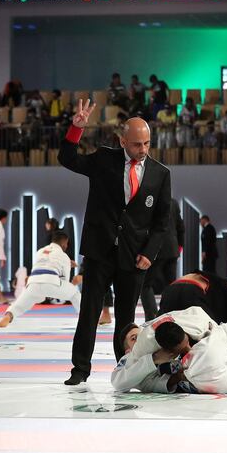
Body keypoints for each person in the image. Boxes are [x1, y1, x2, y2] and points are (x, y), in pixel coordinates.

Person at [59, 99, 172, 386]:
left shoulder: (160, 174)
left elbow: (161, 223)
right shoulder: (103, 160)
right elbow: (68, 159)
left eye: (147, 143)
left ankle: (124, 369)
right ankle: (80, 369)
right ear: (122, 141)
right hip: (100, 251)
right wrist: (76, 130)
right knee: (89, 313)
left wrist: (150, 253)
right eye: (136, 144)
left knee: (125, 322)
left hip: (134, 257)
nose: (143, 150)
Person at [112, 281, 227, 395]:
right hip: (199, 376)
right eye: (134, 338)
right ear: (127, 349)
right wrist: (153, 361)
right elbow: (118, 382)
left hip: (224, 372)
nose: (141, 337)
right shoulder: (131, 360)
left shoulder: (161, 333)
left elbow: (207, 330)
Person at [0, 231, 80, 328]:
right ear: (63, 243)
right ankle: (86, 319)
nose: (66, 246)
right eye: (66, 243)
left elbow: (45, 264)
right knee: (75, 293)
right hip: (51, 282)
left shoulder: (40, 251)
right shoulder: (64, 256)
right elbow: (64, 280)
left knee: (21, 303)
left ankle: (9, 315)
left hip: (33, 282)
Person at [140, 200, 184, 321]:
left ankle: (152, 317)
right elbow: (181, 226)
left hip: (155, 249)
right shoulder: (173, 203)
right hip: (172, 249)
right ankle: (170, 316)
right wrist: (179, 246)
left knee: (145, 285)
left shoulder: (149, 200)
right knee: (171, 286)